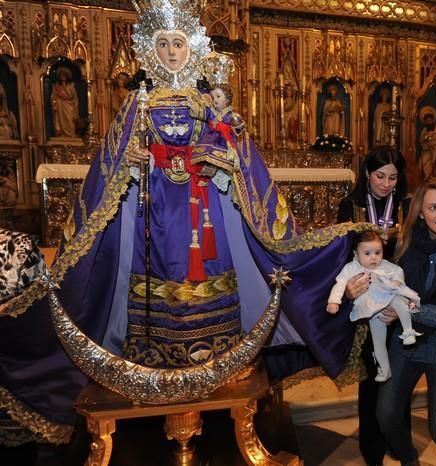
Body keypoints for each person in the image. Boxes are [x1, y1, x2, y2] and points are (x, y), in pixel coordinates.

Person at [0, 0, 365, 447]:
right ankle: (154, 355)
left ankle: (217, 353)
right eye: (163, 44)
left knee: (209, 275)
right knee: (156, 279)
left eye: (178, 43)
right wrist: (128, 165)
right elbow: (111, 161)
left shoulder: (209, 106)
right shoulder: (138, 103)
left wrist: (222, 161)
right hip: (152, 215)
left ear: (191, 49)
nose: (172, 51)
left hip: (204, 213)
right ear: (151, 52)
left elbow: (241, 158)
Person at [352, 177, 436, 466]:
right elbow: (388, 282)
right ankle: (409, 461)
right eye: (433, 207)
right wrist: (377, 301)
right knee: (386, 414)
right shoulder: (406, 242)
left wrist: (409, 311)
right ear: (420, 213)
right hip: (407, 344)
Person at [337, 145, 409, 465]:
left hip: (398, 300)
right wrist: (347, 290)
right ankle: (373, 448)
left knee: (400, 375)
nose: (386, 183)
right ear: (367, 173)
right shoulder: (350, 206)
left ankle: (397, 438)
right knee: (373, 378)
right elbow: (339, 255)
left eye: (393, 177)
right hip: (367, 304)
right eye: (380, 176)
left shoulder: (407, 207)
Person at [328, 230, 421, 382]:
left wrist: (398, 280)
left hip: (388, 298)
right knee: (378, 342)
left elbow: (398, 271)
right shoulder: (351, 268)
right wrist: (334, 301)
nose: (374, 257)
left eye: (378, 252)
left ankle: (408, 331)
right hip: (372, 310)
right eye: (367, 253)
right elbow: (340, 283)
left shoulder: (386, 266)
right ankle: (384, 369)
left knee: (398, 300)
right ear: (356, 255)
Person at [50, 66, 79, 138]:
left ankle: (71, 134)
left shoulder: (71, 87)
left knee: (70, 122)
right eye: (61, 75)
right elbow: (53, 97)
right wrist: (56, 102)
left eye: (64, 75)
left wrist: (75, 110)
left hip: (69, 108)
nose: (63, 77)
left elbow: (75, 99)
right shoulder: (56, 87)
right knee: (60, 122)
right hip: (60, 108)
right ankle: (61, 134)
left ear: (67, 77)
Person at [418, 109, 436, 180]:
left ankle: (432, 178)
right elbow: (421, 141)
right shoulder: (424, 130)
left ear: (433, 120)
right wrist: (426, 138)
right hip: (426, 150)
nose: (429, 122)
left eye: (430, 120)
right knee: (423, 162)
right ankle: (426, 178)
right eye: (427, 121)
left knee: (434, 161)